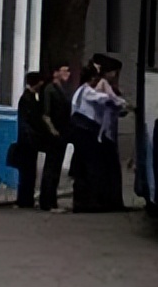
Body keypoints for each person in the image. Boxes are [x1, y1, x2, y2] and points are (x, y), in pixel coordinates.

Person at [69, 62, 126, 212]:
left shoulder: (80, 91)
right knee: (90, 167)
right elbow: (104, 99)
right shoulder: (87, 91)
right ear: (93, 77)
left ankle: (83, 201)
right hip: (86, 130)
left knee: (82, 167)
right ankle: (87, 202)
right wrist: (121, 102)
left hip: (81, 130)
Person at [39, 64, 72, 212]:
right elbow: (46, 114)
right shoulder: (50, 89)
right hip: (54, 134)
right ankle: (47, 201)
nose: (68, 74)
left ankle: (51, 201)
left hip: (62, 132)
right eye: (64, 71)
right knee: (51, 167)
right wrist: (53, 131)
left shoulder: (62, 90)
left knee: (56, 167)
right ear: (56, 73)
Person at [15, 72, 48, 209]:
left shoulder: (32, 97)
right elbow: (26, 121)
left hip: (30, 140)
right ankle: (24, 199)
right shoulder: (26, 99)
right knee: (27, 171)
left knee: (29, 171)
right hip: (27, 141)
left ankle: (26, 198)